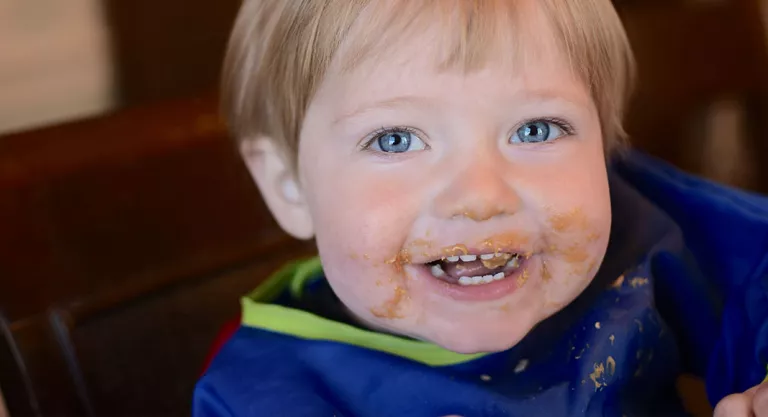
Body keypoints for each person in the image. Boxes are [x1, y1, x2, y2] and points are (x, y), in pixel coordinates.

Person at [194, 1, 768, 415]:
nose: (480, 196)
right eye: (395, 139)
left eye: (536, 128)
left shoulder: (639, 227)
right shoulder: (261, 395)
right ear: (287, 184)